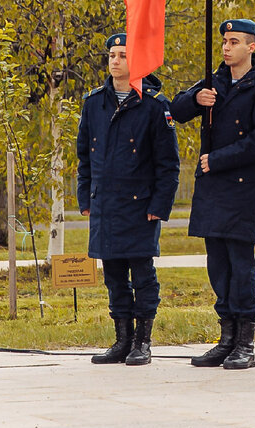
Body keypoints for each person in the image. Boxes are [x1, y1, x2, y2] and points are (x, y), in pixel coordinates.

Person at [172, 19, 255, 371]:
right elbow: (175, 110)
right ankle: (226, 338)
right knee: (217, 264)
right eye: (224, 40)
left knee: (239, 264)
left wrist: (217, 160)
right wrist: (195, 98)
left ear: (251, 47)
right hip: (212, 188)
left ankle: (245, 343)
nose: (225, 47)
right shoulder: (214, 80)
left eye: (233, 41)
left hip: (241, 186)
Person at [77, 32, 181, 366]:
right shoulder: (94, 102)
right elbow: (84, 156)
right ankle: (121, 340)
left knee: (143, 276)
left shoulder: (154, 105)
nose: (115, 60)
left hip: (140, 206)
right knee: (113, 275)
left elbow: (168, 164)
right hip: (105, 204)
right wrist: (86, 197)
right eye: (112, 55)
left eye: (123, 54)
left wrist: (159, 206)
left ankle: (142, 342)